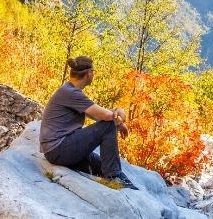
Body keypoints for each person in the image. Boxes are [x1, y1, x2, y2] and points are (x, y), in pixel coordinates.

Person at [39, 56, 139, 190]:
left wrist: (118, 121)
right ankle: (114, 177)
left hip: (59, 150)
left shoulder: (69, 90)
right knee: (108, 126)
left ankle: (124, 185)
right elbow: (105, 116)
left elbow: (95, 114)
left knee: (103, 166)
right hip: (59, 150)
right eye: (94, 72)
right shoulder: (70, 92)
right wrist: (119, 114)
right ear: (88, 73)